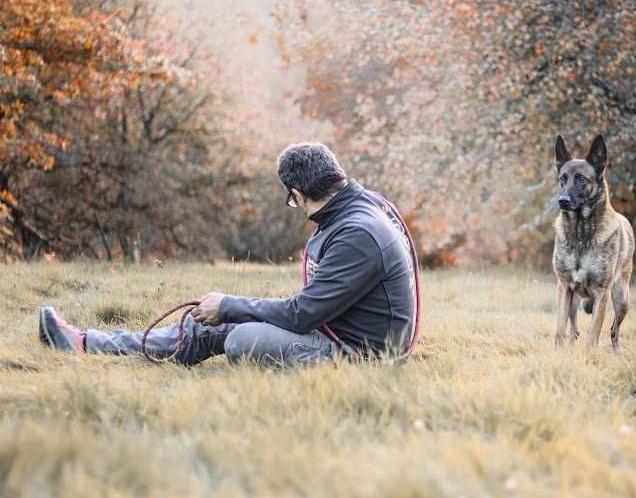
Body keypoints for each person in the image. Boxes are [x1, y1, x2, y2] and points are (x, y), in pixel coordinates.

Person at [38, 142, 417, 365]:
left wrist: (229, 305)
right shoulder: (360, 209)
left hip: (360, 356)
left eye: (292, 202)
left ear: (298, 195)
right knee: (215, 323)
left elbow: (302, 315)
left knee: (241, 337)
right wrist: (225, 309)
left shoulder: (358, 233)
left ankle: (91, 346)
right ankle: (89, 344)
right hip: (335, 329)